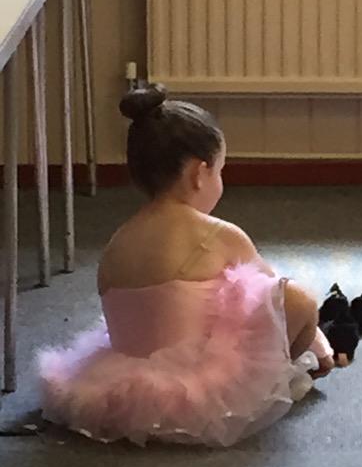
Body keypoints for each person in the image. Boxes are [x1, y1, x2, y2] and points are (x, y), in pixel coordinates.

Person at [39, 85, 336, 446]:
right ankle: (283, 375)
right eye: (220, 171)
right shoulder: (220, 235)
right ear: (199, 173)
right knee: (299, 299)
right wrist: (317, 344)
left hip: (120, 387)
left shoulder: (118, 240)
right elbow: (273, 299)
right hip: (199, 391)